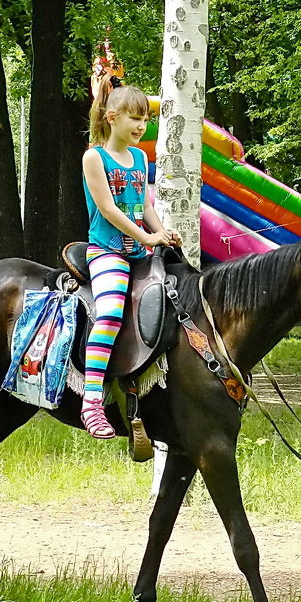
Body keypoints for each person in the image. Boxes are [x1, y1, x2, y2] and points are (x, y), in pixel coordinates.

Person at [79, 77, 181, 439]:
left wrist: (163, 233)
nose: (141, 126)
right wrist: (146, 237)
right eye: (135, 118)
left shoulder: (139, 157)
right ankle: (92, 398)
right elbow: (108, 210)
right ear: (111, 117)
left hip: (142, 249)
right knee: (109, 312)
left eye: (146, 119)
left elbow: (144, 204)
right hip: (107, 251)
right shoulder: (95, 157)